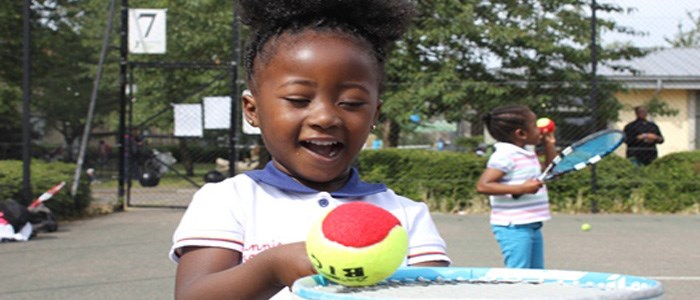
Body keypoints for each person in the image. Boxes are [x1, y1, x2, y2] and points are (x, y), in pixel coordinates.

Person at [169, 1, 451, 299]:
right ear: (252, 109)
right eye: (298, 99)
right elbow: (192, 295)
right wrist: (271, 268)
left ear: (374, 114)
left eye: (352, 103)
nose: (325, 117)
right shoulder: (228, 201)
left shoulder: (406, 215)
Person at [476, 105, 556, 269]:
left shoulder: (525, 153)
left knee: (536, 275)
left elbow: (550, 171)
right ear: (521, 134)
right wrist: (521, 189)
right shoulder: (505, 155)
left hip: (532, 224)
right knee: (518, 274)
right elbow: (483, 185)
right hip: (513, 227)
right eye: (534, 125)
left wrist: (549, 145)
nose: (539, 130)